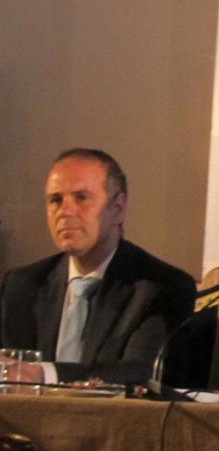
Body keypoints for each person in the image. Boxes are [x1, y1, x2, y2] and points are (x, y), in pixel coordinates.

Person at [0, 148, 196, 385]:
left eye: (81, 198)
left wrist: (45, 374)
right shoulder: (22, 285)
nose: (65, 211)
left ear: (117, 209)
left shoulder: (162, 288)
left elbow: (142, 372)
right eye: (55, 200)